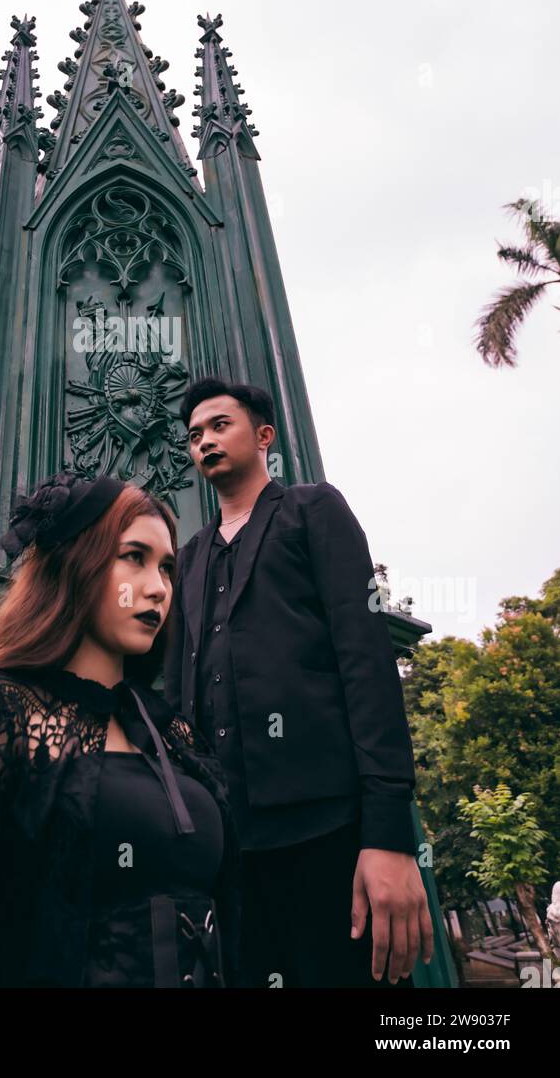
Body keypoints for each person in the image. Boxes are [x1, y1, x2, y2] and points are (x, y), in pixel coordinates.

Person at [0, 471, 241, 989]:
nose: (158, 587)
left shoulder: (175, 735)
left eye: (167, 567)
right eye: (133, 557)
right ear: (78, 564)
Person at [164, 376, 434, 989]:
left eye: (219, 425)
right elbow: (178, 696)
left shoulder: (314, 510)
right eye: (194, 434)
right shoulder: (189, 557)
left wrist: (387, 836)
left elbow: (365, 663)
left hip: (329, 830)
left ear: (264, 436)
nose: (204, 440)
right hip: (229, 846)